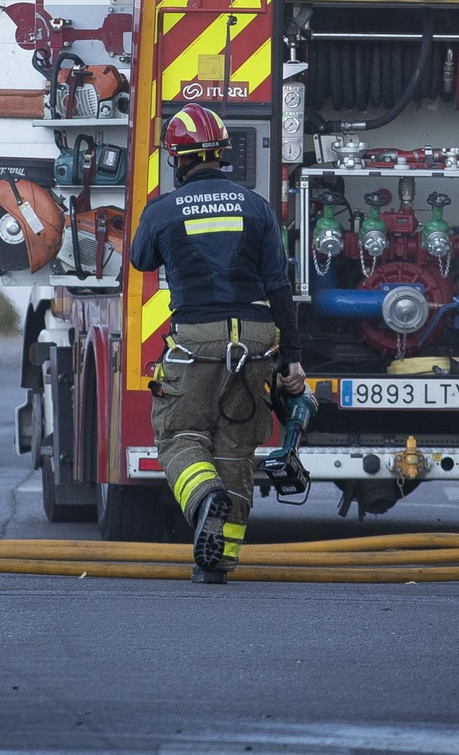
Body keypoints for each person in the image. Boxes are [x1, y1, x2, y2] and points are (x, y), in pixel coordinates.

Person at [128, 103, 305, 584]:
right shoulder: (257, 207)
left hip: (198, 341)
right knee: (234, 452)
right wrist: (292, 359)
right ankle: (216, 563)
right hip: (256, 340)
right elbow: (279, 287)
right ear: (223, 154)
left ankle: (204, 497)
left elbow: (141, 260)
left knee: (180, 437)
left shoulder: (164, 210)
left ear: (177, 159)